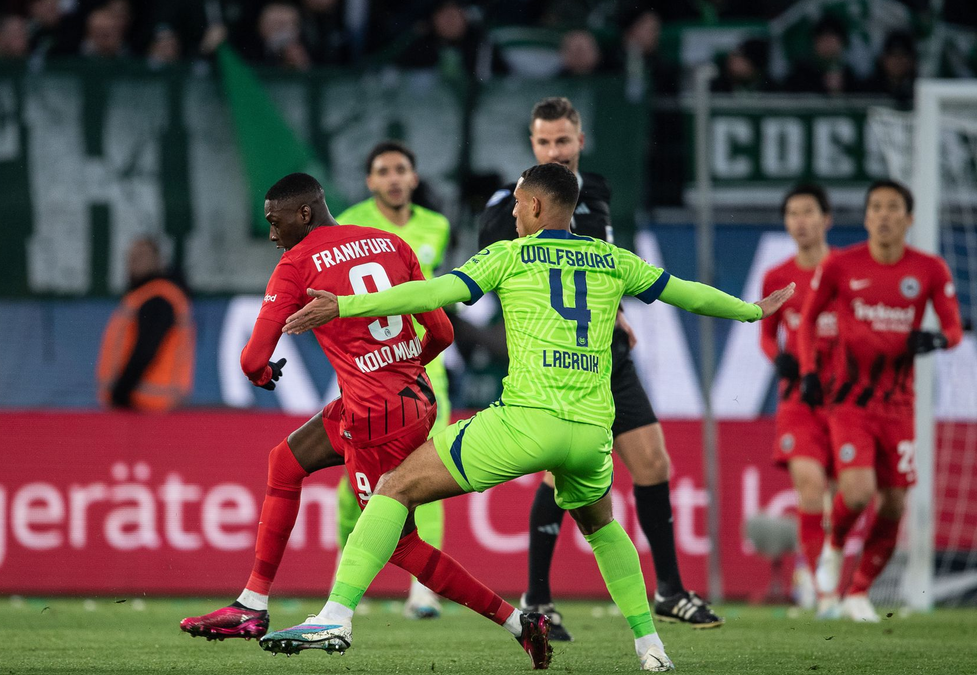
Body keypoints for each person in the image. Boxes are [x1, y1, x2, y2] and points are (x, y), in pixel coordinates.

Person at [270, 163, 795, 671]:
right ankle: (651, 648)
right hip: (591, 433)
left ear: (538, 205)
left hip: (525, 424)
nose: (513, 213)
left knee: (393, 487)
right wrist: (751, 310)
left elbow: (432, 292)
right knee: (603, 527)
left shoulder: (510, 256)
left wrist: (343, 306)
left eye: (518, 203)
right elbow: (688, 294)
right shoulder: (614, 260)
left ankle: (335, 617)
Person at [179, 173, 553, 670]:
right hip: (412, 397)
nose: (272, 233)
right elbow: (440, 330)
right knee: (285, 462)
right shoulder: (392, 243)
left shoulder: (296, 264)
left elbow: (251, 361)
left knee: (400, 544)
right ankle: (252, 603)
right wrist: (400, 370)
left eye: (275, 222)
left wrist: (267, 372)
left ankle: (516, 622)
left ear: (305, 214)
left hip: (375, 415)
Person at [479, 96, 723, 637]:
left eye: (562, 140)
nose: (554, 151)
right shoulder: (508, 205)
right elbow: (502, 281)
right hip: (555, 366)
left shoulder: (599, 193)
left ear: (580, 141)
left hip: (607, 353)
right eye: (543, 142)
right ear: (532, 144)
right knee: (558, 469)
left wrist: (617, 314)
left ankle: (671, 592)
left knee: (653, 464)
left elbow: (599, 268)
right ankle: (538, 599)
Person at [798, 180, 963, 621]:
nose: (884, 215)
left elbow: (954, 329)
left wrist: (935, 338)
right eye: (876, 208)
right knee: (857, 491)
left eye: (893, 208)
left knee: (893, 503)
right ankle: (833, 549)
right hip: (850, 400)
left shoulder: (929, 269)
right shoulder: (840, 265)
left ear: (909, 219)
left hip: (900, 405)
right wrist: (810, 371)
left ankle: (858, 592)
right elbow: (807, 321)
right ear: (867, 217)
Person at [335, 140, 453, 619]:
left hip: (426, 369)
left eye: (401, 169)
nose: (393, 178)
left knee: (435, 473)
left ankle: (424, 592)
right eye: (383, 170)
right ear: (370, 181)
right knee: (353, 485)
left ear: (415, 176)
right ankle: (345, 584)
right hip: (368, 373)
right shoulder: (346, 223)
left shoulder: (437, 226)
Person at [759, 183, 837, 614]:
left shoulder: (845, 271)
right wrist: (780, 360)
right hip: (798, 400)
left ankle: (831, 567)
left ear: (826, 219)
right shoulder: (777, 277)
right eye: (792, 213)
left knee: (850, 497)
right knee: (810, 488)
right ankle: (817, 582)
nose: (800, 222)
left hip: (846, 400)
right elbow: (767, 336)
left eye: (808, 212)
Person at [96, 237, 194, 411]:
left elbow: (146, 349)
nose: (134, 262)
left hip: (146, 405)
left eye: (141, 256)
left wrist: (119, 393)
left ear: (158, 261)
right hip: (149, 405)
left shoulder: (158, 297)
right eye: (131, 257)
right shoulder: (145, 295)